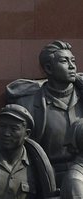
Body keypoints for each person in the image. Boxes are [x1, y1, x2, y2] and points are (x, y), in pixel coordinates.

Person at [7, 41, 83, 181]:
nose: (72, 66)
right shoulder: (28, 104)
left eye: (73, 61)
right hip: (48, 178)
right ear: (48, 68)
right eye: (64, 61)